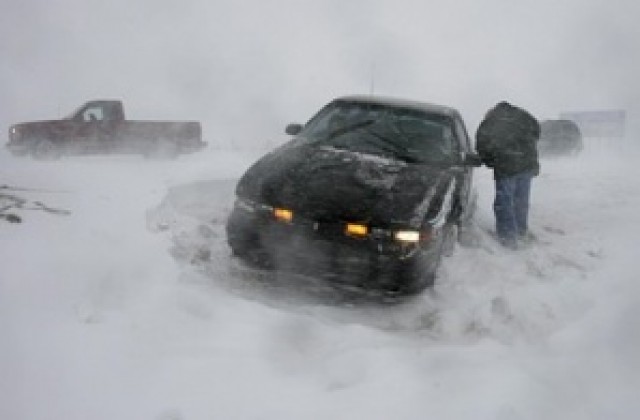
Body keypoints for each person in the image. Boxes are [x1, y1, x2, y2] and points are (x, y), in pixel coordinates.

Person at [476, 101, 540, 249]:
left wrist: (490, 161)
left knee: (504, 202)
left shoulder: (490, 122)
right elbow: (537, 131)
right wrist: (526, 148)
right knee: (521, 200)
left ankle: (508, 237)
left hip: (505, 166)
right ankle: (521, 231)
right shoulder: (524, 115)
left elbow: (482, 144)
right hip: (527, 165)